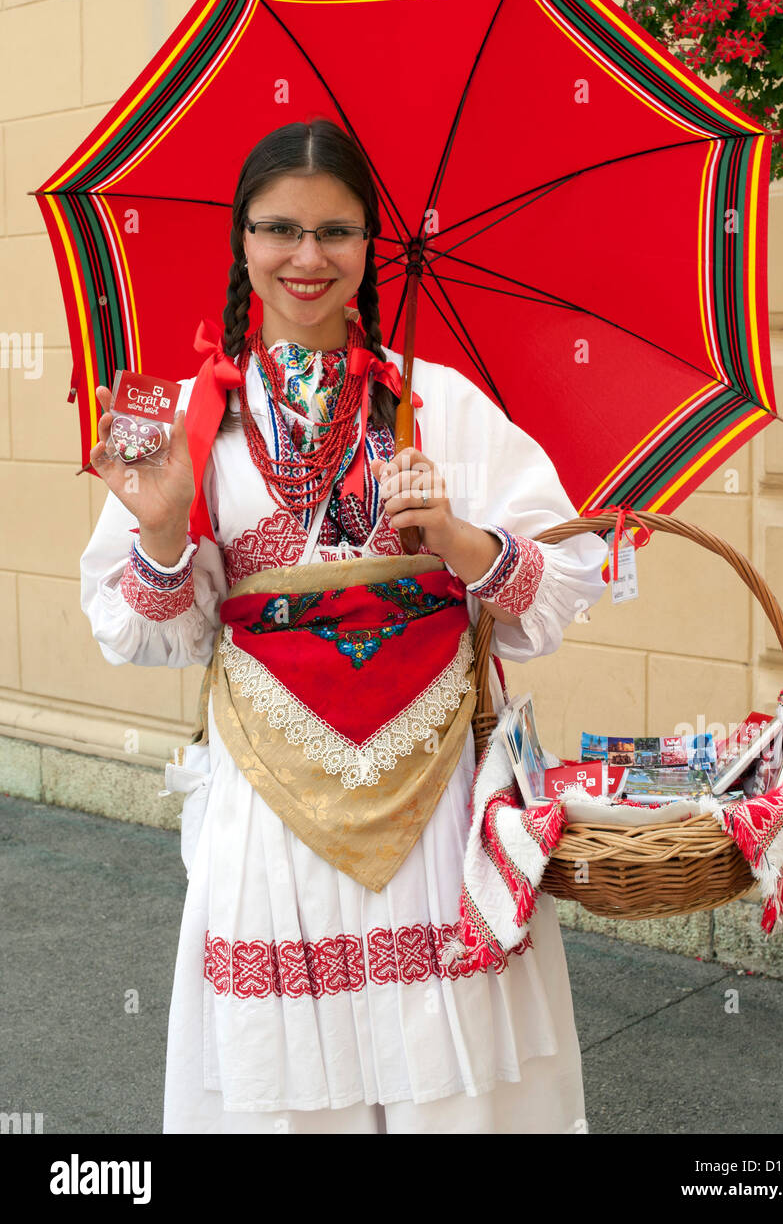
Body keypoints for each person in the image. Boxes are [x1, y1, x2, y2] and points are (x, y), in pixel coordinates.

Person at [79, 118, 609, 1134]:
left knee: (448, 1075)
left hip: (433, 804)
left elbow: (560, 584)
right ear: (241, 242)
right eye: (280, 229)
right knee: (284, 1088)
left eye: (337, 231)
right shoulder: (184, 421)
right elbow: (146, 632)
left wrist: (455, 537)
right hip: (269, 807)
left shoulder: (440, 404)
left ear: (372, 243)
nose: (307, 258)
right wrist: (156, 532)